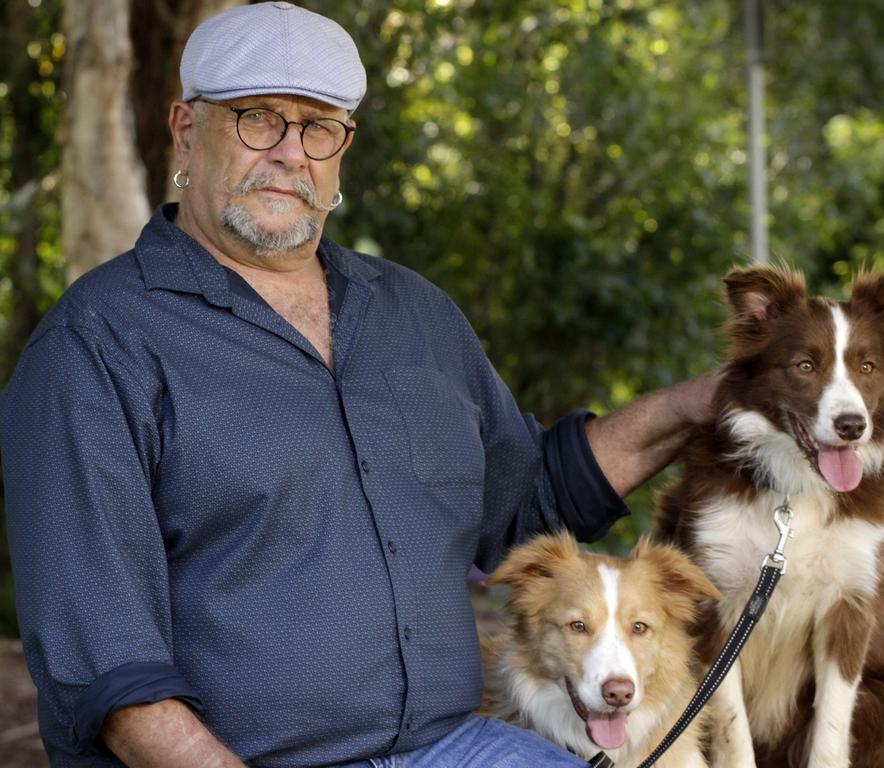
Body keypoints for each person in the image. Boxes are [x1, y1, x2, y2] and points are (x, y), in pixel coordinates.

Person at [0, 3, 720, 766]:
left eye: (317, 127)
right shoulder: (96, 345)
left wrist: (700, 403)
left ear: (342, 149)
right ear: (185, 129)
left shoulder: (415, 315)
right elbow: (109, 667)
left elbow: (526, 503)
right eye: (257, 119)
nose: (288, 153)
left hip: (453, 747)